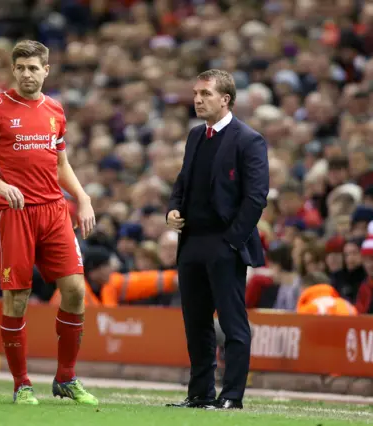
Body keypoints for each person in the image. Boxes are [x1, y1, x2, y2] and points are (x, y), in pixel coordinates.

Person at [0, 40, 97, 406]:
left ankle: (66, 377)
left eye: (34, 67)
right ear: (13, 70)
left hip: (54, 211)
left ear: (46, 70)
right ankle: (22, 383)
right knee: (16, 298)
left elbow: (60, 163)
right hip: (13, 214)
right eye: (21, 67)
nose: (27, 73)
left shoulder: (55, 110)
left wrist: (81, 198)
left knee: (75, 291)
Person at [166, 69, 269, 410]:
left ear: (225, 99)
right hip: (192, 241)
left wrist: (232, 242)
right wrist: (173, 210)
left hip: (225, 244)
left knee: (232, 322)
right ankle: (200, 393)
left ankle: (232, 396)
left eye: (205, 94)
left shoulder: (248, 139)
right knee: (196, 323)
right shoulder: (196, 136)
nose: (197, 99)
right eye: (196, 93)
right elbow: (183, 183)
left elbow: (256, 197)